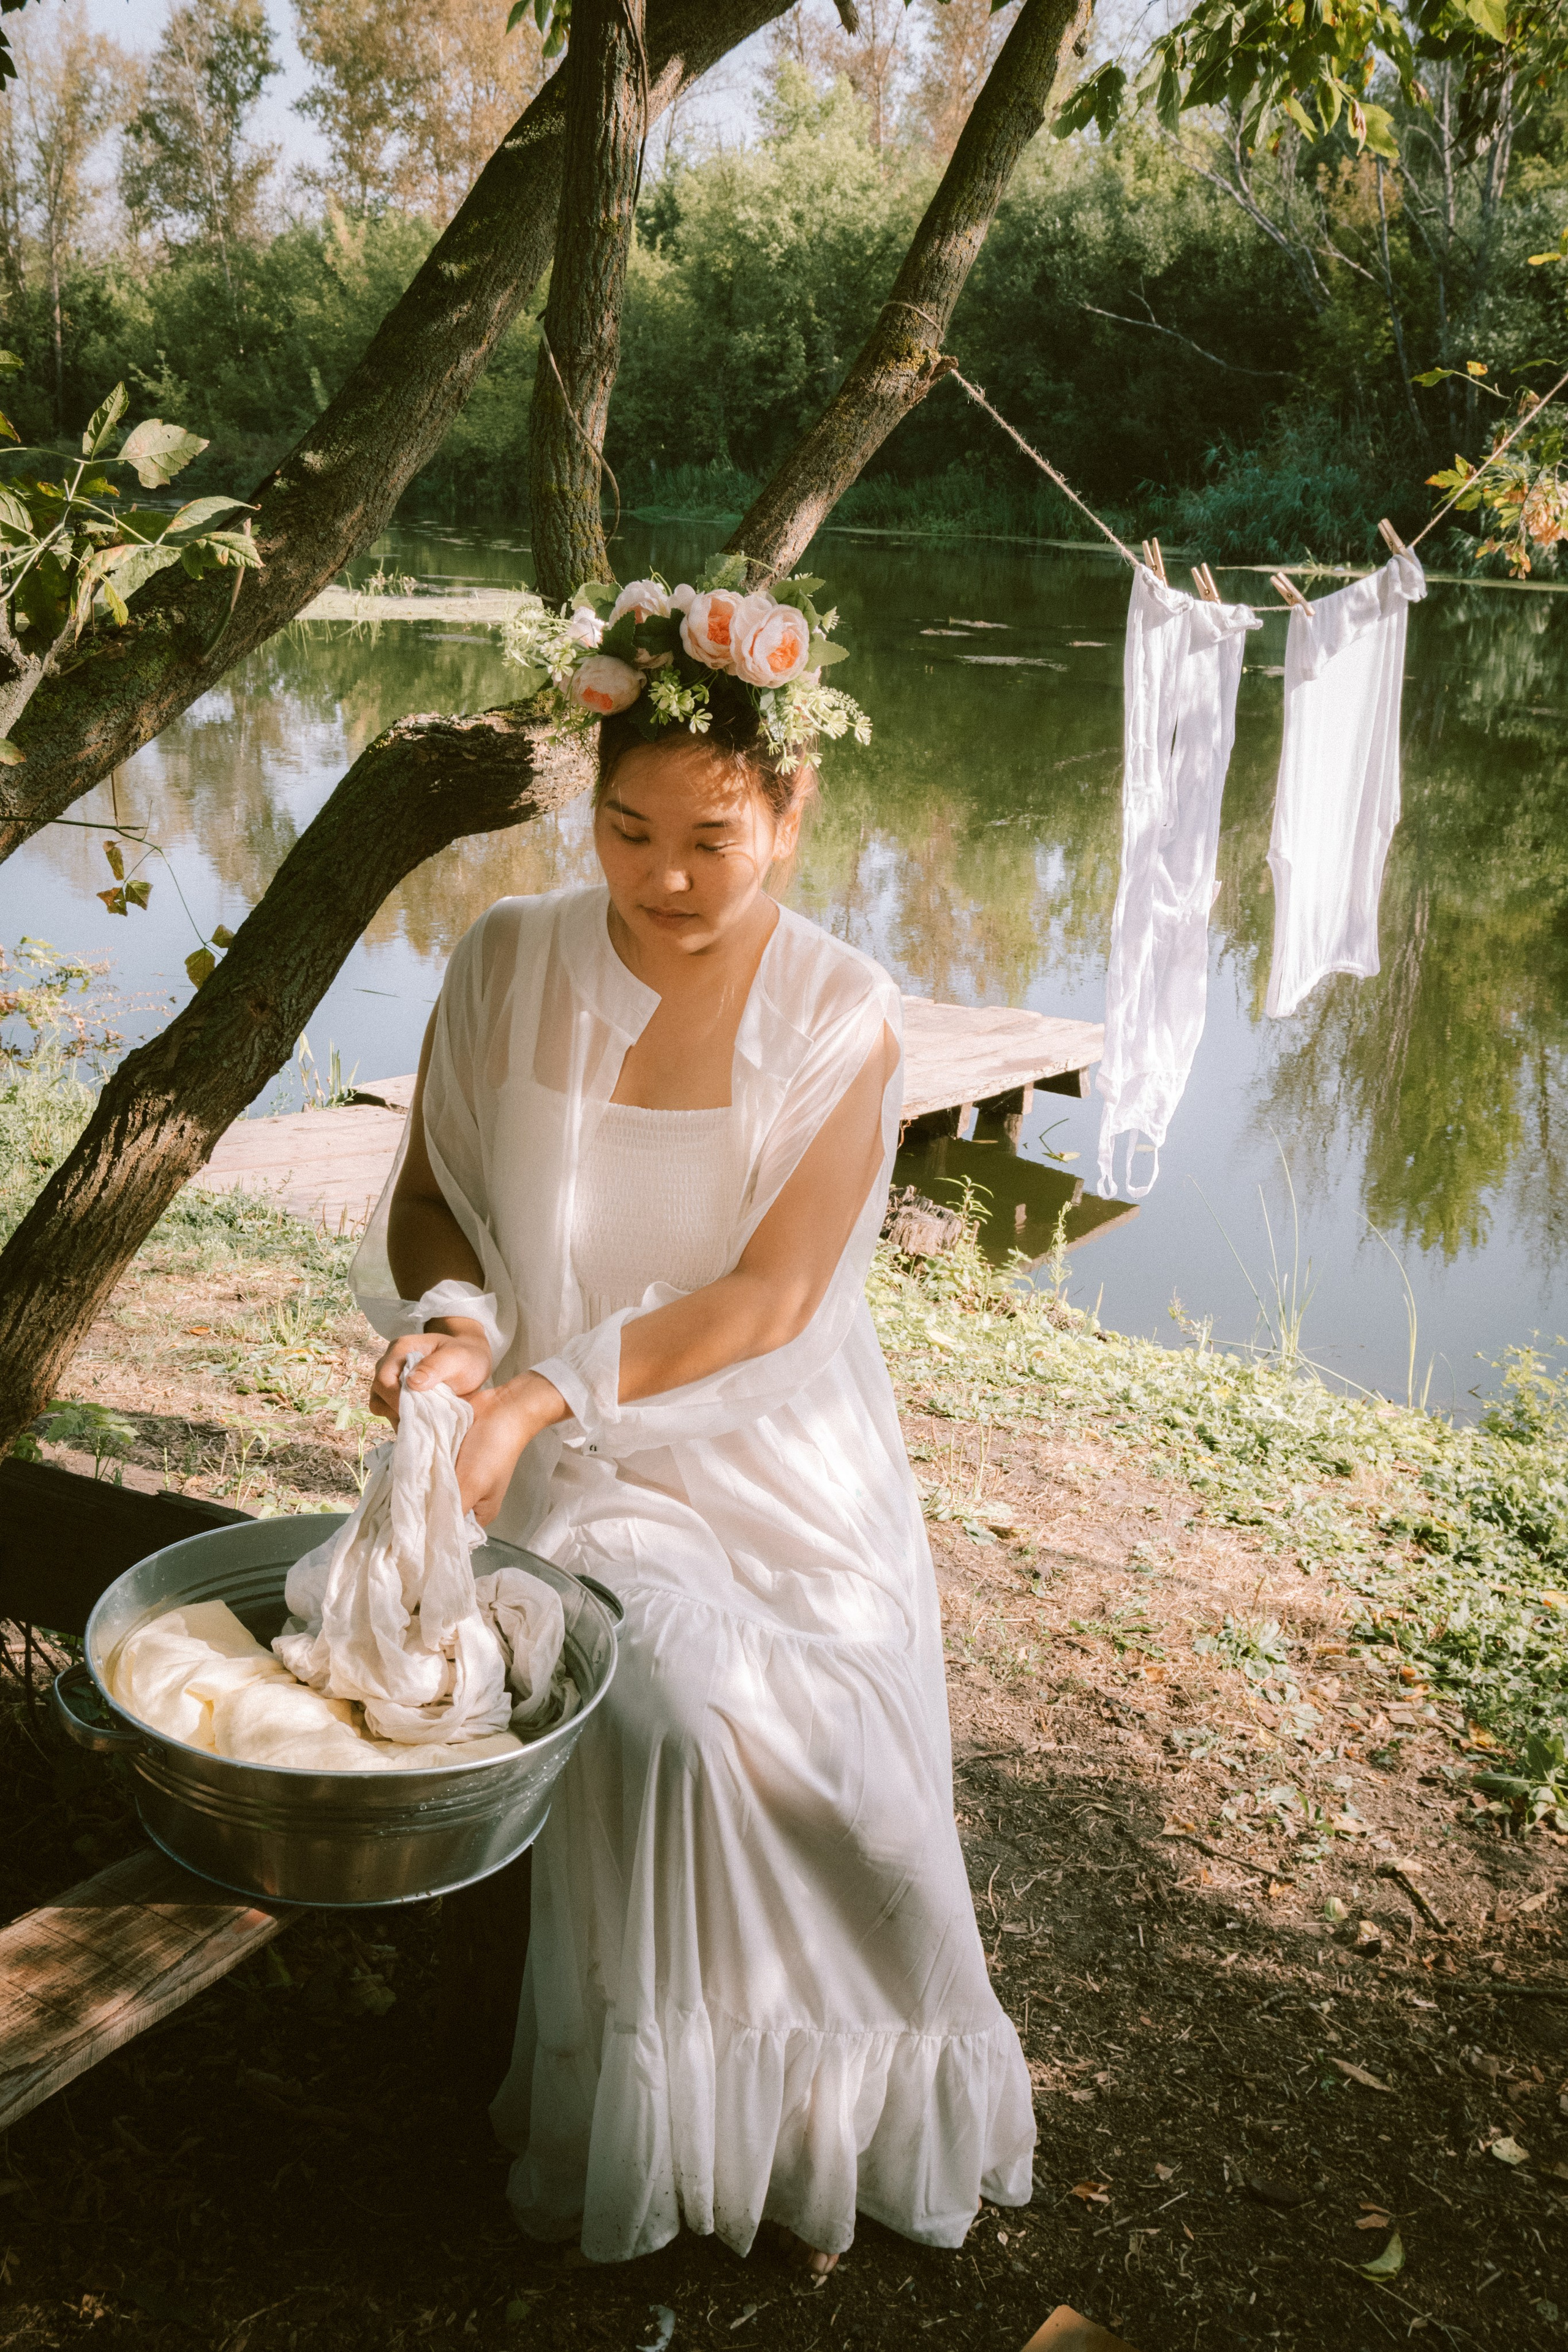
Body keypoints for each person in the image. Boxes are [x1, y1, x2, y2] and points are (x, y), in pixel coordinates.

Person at [356, 574, 1033, 2274]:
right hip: (576, 1473)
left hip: (770, 1449)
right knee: (662, 1714)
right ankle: (653, 2125)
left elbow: (773, 1301)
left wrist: (541, 1386)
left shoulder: (843, 1014)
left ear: (793, 813)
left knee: (860, 1809)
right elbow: (434, 1194)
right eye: (627, 828)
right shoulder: (504, 960)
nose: (661, 878)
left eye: (711, 839)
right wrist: (458, 1329)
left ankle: (846, 2108)